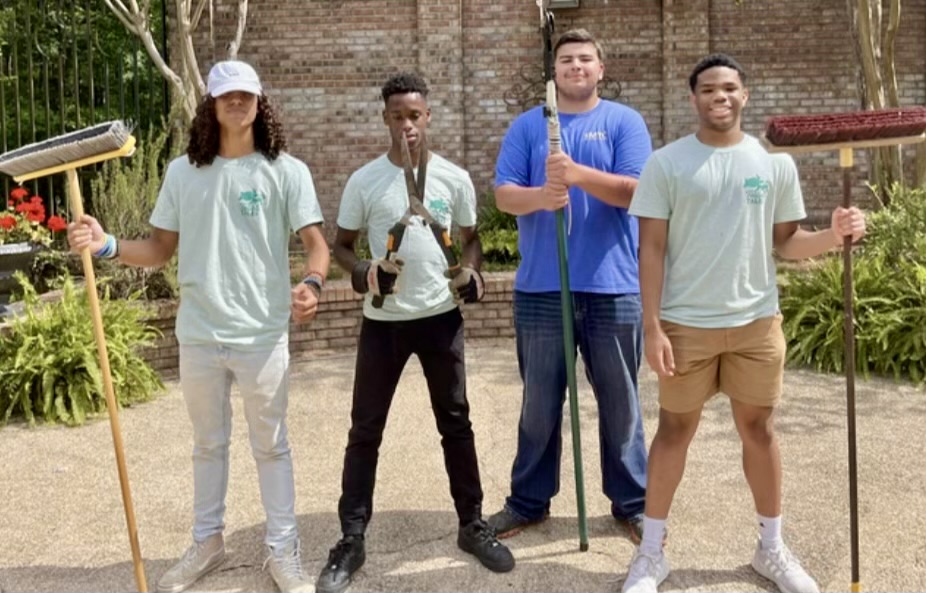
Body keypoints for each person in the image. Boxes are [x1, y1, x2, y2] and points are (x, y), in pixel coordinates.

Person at [67, 60, 329, 593]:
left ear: (260, 101)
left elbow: (317, 245)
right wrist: (107, 245)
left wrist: (314, 285)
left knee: (272, 445)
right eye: (227, 94)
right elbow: (160, 249)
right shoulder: (182, 172)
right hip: (200, 334)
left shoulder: (286, 171)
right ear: (210, 103)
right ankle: (208, 542)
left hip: (261, 335)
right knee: (208, 444)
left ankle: (283, 551)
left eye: (246, 94)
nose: (238, 102)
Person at [621, 53, 866, 593]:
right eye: (708, 89)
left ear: (745, 95)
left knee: (758, 430)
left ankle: (770, 549)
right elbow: (652, 250)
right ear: (693, 99)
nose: (720, 96)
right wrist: (653, 327)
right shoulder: (667, 164)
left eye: (729, 87)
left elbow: (787, 243)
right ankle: (651, 554)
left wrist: (835, 235)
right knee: (673, 432)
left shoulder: (773, 163)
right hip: (686, 325)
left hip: (756, 322)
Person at [314, 71, 514, 593]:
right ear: (385, 118)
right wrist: (362, 273)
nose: (408, 124)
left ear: (429, 118)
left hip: (440, 319)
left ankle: (471, 524)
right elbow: (341, 245)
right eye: (398, 115)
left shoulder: (452, 177)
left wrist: (472, 271)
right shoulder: (365, 181)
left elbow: (471, 239)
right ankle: (351, 539)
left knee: (456, 422)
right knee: (365, 431)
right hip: (383, 325)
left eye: (416, 115)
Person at [488, 28, 653, 543]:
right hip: (542, 288)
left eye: (585, 59)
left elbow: (636, 191)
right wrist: (544, 197)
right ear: (553, 73)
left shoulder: (625, 122)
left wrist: (578, 174)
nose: (575, 66)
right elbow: (504, 196)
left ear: (601, 69)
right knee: (538, 405)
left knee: (621, 404)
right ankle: (528, 502)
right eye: (565, 60)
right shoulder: (528, 126)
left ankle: (633, 503)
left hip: (612, 287)